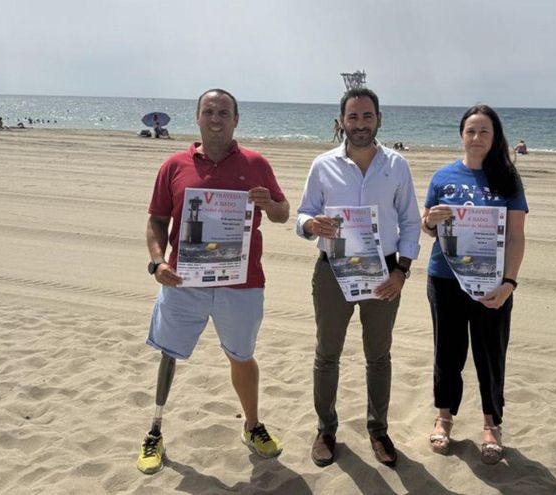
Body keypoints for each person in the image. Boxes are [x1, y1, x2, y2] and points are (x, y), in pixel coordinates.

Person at [136, 88, 290, 474]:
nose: (216, 119)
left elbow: (283, 213)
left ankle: (252, 426)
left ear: (236, 120)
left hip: (243, 283)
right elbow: (156, 220)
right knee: (168, 352)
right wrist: (157, 264)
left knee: (241, 355)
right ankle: (155, 429)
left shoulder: (256, 163)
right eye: (209, 112)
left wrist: (269, 205)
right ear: (198, 118)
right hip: (183, 282)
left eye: (224, 112)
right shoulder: (174, 165)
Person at [296, 88, 421, 468]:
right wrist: (311, 225)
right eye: (353, 117)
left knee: (379, 356)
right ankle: (326, 428)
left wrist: (402, 271)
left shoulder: (396, 165)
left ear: (379, 119)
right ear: (341, 122)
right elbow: (302, 215)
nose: (360, 124)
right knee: (326, 354)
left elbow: (411, 222)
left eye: (367, 116)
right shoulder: (322, 165)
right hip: (332, 269)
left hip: (384, 272)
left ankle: (378, 430)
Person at [421, 104, 528, 465]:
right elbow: (427, 226)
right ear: (461, 135)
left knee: (490, 355)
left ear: (494, 136)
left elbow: (516, 237)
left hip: (491, 284)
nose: (477, 137)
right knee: (447, 353)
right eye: (471, 131)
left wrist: (509, 283)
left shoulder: (508, 180)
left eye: (484, 131)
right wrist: (429, 219)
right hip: (445, 278)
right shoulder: (443, 177)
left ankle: (491, 424)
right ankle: (444, 417)